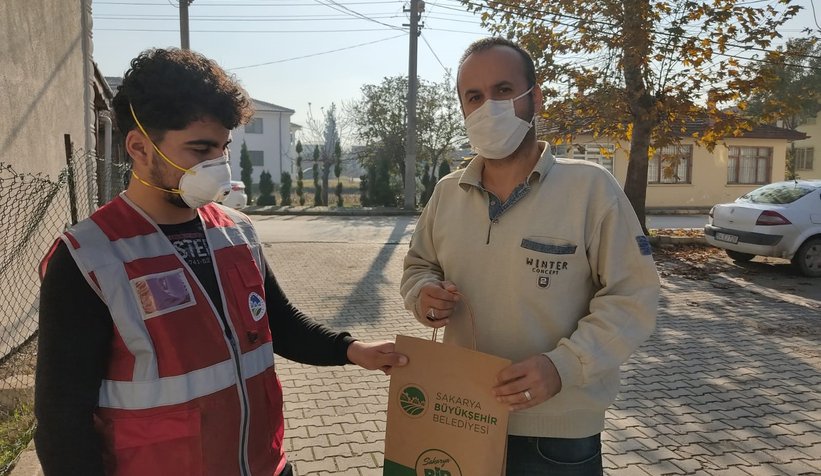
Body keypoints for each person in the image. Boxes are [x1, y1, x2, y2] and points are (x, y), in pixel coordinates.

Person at [35, 48, 406, 476]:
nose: (220, 166)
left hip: (265, 465)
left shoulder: (236, 231)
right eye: (200, 149)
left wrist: (352, 350)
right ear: (139, 147)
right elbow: (62, 421)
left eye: (224, 148)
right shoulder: (89, 258)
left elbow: (278, 324)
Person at [400, 37, 660, 475]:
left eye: (503, 90)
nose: (489, 107)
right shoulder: (447, 193)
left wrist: (563, 366)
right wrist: (423, 294)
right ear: (463, 108)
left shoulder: (589, 189)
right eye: (474, 96)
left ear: (535, 97)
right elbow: (418, 266)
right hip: (458, 414)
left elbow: (633, 296)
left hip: (556, 435)